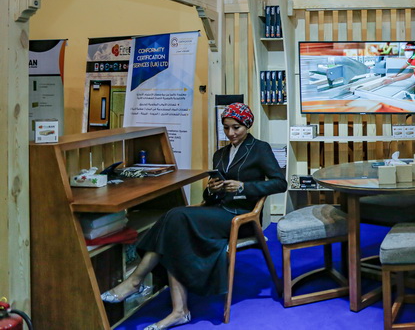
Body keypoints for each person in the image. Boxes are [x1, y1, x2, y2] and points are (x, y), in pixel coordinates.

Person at [100, 103, 287, 330]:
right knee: (176, 229)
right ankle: (178, 311)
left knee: (175, 217)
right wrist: (212, 189)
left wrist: (243, 187)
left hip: (241, 217)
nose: (230, 133)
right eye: (226, 128)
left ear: (247, 125)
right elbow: (211, 197)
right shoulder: (220, 154)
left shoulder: (259, 148)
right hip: (218, 212)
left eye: (236, 127)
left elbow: (280, 183)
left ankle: (135, 281)